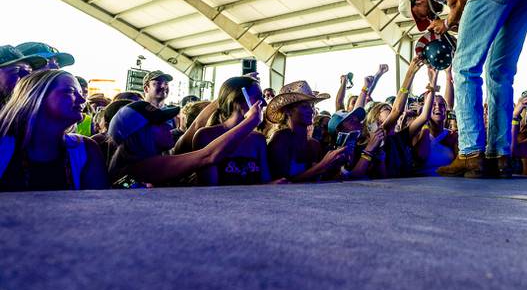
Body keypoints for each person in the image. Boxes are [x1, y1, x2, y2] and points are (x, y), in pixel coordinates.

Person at [399, 0, 527, 178]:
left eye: (423, 15)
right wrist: (452, 22)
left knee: (464, 68)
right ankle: (500, 156)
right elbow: (473, 17)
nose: (431, 15)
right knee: (500, 73)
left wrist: (445, 24)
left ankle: (470, 154)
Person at [107, 99, 263, 187]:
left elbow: (194, 127)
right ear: (142, 133)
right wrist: (251, 121)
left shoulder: (150, 159)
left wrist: (226, 96)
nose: (169, 125)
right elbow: (208, 156)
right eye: (160, 123)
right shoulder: (141, 168)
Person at [0, 70, 107, 191]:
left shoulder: (87, 150)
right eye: (71, 91)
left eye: (82, 93)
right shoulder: (3, 147)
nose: (83, 100)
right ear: (36, 97)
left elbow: (97, 205)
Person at [266, 81, 350, 182]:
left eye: (312, 106)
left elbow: (320, 180)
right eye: (305, 106)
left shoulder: (313, 144)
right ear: (288, 110)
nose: (311, 111)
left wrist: (335, 166)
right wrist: (323, 165)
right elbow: (283, 182)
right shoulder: (280, 139)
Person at [192, 77, 271, 186]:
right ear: (236, 101)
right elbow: (209, 188)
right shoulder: (206, 136)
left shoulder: (258, 139)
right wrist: (251, 121)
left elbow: (264, 181)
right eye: (258, 97)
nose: (264, 103)